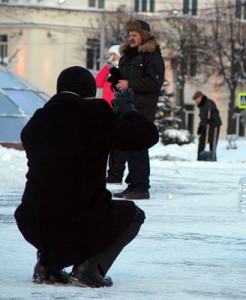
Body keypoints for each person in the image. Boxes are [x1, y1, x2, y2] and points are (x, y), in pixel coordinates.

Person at [14, 66, 159, 287]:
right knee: (132, 215)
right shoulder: (93, 113)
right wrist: (128, 110)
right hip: (77, 217)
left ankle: (46, 266)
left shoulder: (38, 120)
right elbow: (145, 136)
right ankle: (89, 268)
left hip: (30, 219)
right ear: (88, 92)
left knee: (53, 203)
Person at [113, 19, 165, 200]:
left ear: (143, 36)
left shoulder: (152, 56)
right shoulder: (129, 55)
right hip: (126, 106)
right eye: (129, 35)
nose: (131, 38)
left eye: (134, 34)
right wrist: (117, 81)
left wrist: (129, 84)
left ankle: (141, 187)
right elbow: (125, 78)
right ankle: (132, 185)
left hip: (142, 108)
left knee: (138, 147)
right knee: (129, 146)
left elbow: (155, 82)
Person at [95, 44, 127, 184]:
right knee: (108, 144)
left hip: (119, 111)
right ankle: (110, 173)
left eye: (114, 54)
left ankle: (116, 174)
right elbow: (97, 83)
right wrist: (107, 67)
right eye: (110, 55)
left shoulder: (123, 71)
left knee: (118, 145)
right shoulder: (109, 71)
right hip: (107, 111)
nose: (111, 57)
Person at [193, 90, 222, 161]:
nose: (196, 101)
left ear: (200, 97)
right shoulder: (201, 107)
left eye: (196, 99)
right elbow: (203, 119)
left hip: (214, 125)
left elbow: (215, 113)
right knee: (201, 139)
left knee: (213, 141)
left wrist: (211, 119)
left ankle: (212, 157)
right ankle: (200, 157)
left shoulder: (209, 103)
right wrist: (200, 127)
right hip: (206, 125)